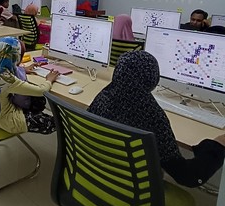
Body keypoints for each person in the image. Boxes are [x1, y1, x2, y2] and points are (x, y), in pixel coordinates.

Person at [88, 51, 225, 187]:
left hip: (95, 174)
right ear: (153, 79)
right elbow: (188, 176)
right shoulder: (150, 115)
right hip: (129, 187)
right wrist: (217, 145)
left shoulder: (102, 98)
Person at [0, 37, 59, 134]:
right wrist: (49, 80)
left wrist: (22, 69)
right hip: (5, 120)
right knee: (54, 123)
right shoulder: (6, 78)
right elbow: (41, 91)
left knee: (36, 100)